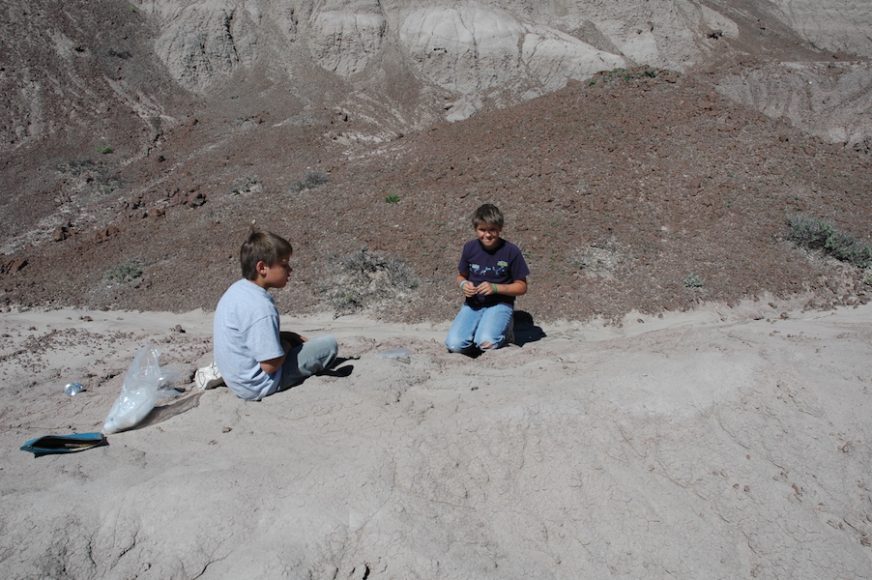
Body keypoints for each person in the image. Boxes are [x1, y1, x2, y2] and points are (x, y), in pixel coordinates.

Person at [211, 229, 338, 401]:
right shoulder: (261, 307)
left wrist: (290, 336)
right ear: (262, 267)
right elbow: (270, 366)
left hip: (237, 380)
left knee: (292, 340)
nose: (290, 270)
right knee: (328, 345)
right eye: (284, 265)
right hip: (259, 385)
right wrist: (285, 344)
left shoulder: (236, 290)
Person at [445, 203, 529, 354]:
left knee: (486, 342)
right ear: (475, 229)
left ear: (500, 228)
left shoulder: (511, 251)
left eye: (492, 230)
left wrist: (496, 288)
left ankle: (505, 332)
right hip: (473, 304)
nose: (487, 235)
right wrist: (463, 284)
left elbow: (522, 287)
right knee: (454, 345)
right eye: (482, 230)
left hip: (500, 303)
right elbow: (460, 276)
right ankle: (479, 329)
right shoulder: (469, 248)